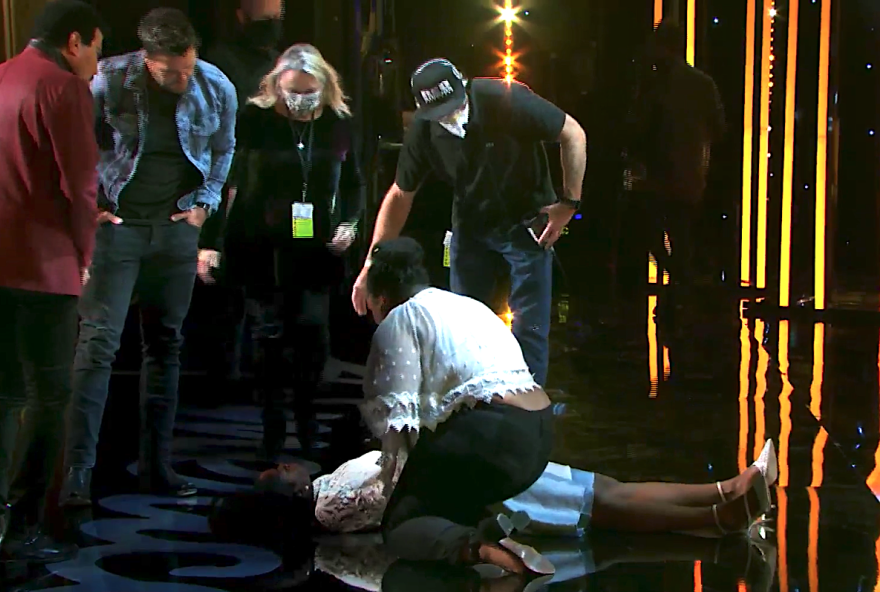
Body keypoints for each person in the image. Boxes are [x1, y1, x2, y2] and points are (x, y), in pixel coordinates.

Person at [210, 238, 776, 579]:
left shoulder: (402, 323)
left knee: (601, 500)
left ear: (382, 297)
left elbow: (400, 437)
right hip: (515, 433)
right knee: (604, 497)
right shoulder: (454, 304)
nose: (283, 464)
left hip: (483, 447)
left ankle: (722, 505)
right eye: (275, 473)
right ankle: (724, 500)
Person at [60, 8, 238, 506]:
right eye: (169, 73)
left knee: (166, 346)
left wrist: (205, 204)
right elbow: (77, 142)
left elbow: (225, 148)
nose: (181, 79)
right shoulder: (111, 80)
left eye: (186, 67)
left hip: (175, 227)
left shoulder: (215, 85)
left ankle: (157, 466)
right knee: (97, 345)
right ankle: (78, 471)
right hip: (119, 227)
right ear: (147, 59)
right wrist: (88, 204)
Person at [0, 0, 103, 564]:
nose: (95, 62)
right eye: (95, 48)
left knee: (4, 384)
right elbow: (80, 184)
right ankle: (23, 525)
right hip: (40, 264)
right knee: (50, 395)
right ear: (73, 42)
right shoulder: (64, 89)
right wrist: (84, 254)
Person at [351, 59, 589, 387]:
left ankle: (529, 406)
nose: (453, 117)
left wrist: (568, 203)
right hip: (472, 222)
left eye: (457, 106)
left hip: (528, 219)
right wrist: (371, 265)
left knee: (530, 325)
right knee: (466, 324)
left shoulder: (504, 98)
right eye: (441, 114)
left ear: (465, 87)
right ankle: (476, 399)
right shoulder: (424, 130)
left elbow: (573, 133)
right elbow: (400, 195)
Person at [198, 44, 365, 458]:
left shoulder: (338, 123)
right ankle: (272, 431)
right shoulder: (254, 119)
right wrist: (210, 243)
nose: (300, 101)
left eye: (309, 93)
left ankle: (308, 427)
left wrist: (351, 224)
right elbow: (228, 180)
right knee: (268, 341)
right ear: (276, 86)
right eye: (292, 91)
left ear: (324, 89)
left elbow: (353, 183)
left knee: (312, 339)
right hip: (259, 247)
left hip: (315, 250)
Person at [198, 0, 285, 387]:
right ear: (240, 16)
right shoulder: (218, 63)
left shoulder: (281, 62)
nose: (270, 25)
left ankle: (262, 375)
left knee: (270, 287)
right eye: (263, 19)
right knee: (227, 288)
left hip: (273, 185)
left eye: (275, 18)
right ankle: (226, 373)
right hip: (232, 182)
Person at [626, 21, 725, 320]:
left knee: (655, 234)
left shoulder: (655, 84)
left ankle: (682, 285)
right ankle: (683, 287)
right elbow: (718, 127)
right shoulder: (700, 83)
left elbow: (637, 126)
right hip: (686, 172)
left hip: (660, 173)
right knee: (679, 235)